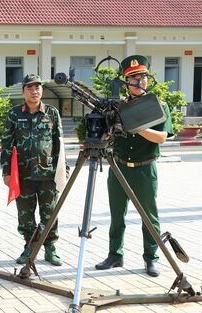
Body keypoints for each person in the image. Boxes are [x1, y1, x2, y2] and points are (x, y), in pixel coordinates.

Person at [95, 55, 174, 277]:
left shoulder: (158, 105)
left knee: (149, 216)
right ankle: (115, 255)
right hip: (119, 167)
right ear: (126, 82)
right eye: (135, 77)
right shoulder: (117, 106)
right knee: (116, 215)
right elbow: (107, 135)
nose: (141, 81)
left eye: (143, 76)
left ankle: (151, 258)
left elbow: (161, 138)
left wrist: (136, 126)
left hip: (144, 168)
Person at [0, 74, 66, 266]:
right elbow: (6, 143)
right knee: (25, 216)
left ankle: (50, 248)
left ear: (41, 91)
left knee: (50, 214)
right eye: (30, 88)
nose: (34, 91)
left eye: (37, 87)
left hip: (48, 174)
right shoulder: (14, 114)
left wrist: (64, 170)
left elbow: (59, 143)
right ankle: (29, 246)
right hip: (23, 175)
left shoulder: (52, 113)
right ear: (23, 91)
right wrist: (6, 172)